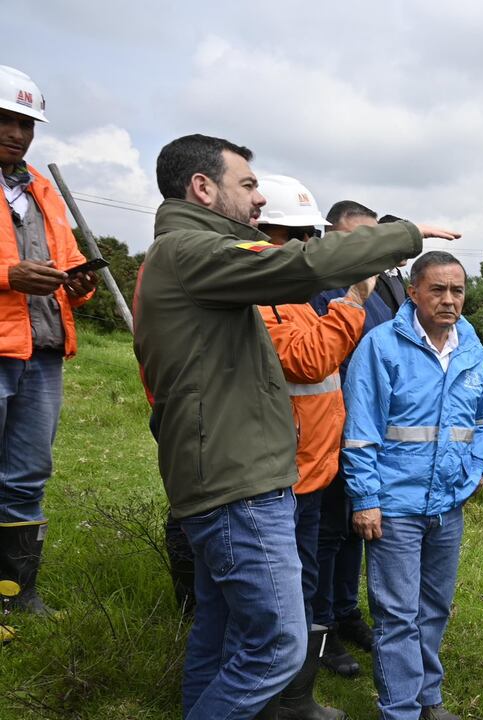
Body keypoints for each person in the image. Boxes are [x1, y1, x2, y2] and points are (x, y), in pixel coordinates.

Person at [134, 133, 459, 719]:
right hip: (239, 482)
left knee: (221, 631)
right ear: (203, 188)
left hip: (232, 473)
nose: (258, 200)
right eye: (249, 185)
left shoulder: (191, 257)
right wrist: (403, 236)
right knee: (277, 647)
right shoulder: (190, 251)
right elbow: (300, 269)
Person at [342, 251, 483, 720]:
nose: (449, 300)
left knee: (433, 609)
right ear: (413, 293)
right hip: (395, 505)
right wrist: (366, 498)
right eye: (438, 290)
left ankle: (429, 699)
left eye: (458, 290)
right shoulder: (382, 346)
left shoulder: (470, 346)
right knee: (397, 616)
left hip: (448, 505)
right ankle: (401, 709)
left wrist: (474, 466)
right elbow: (361, 429)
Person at [255, 174, 376, 719]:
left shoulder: (297, 299)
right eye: (298, 236)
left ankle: (296, 696)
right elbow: (309, 363)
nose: (306, 249)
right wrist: (353, 301)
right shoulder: (266, 299)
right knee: (281, 592)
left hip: (318, 464)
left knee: (307, 578)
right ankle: (273, 697)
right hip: (278, 474)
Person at [0, 65, 98, 620]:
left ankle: (14, 596)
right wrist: (8, 276)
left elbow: (62, 262)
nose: (18, 133)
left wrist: (78, 282)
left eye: (27, 124)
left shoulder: (40, 189)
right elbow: (13, 271)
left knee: (28, 474)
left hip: (40, 350)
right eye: (7, 120)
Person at [307, 200, 389, 677]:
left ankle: (346, 612)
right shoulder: (317, 288)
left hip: (364, 433)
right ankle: (322, 631)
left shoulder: (372, 289)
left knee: (353, 528)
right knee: (327, 534)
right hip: (324, 432)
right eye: (359, 239)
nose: (367, 250)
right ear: (330, 236)